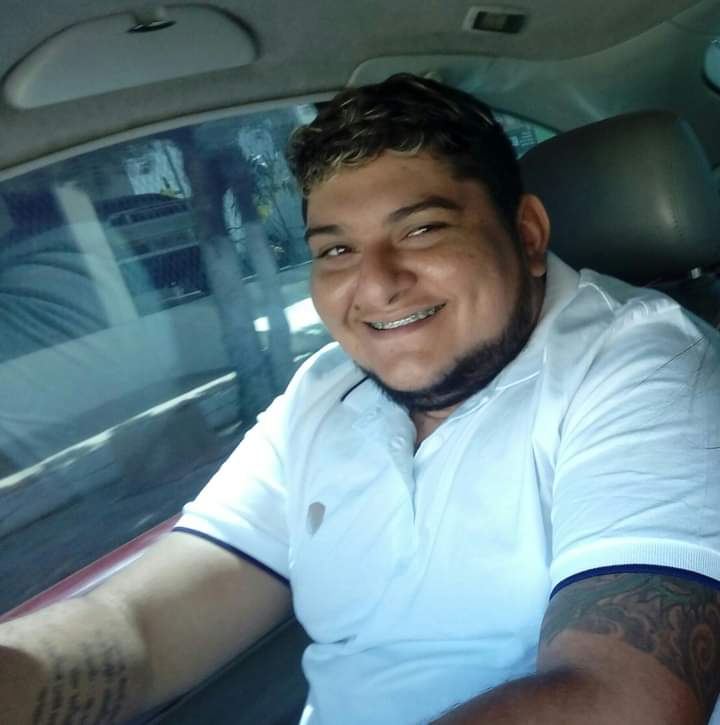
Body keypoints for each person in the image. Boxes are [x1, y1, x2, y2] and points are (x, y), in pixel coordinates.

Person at [3, 73, 720, 725]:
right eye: (336, 250)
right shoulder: (323, 389)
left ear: (526, 235)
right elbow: (143, 627)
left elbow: (626, 700)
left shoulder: (649, 364)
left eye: (422, 229)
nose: (375, 285)